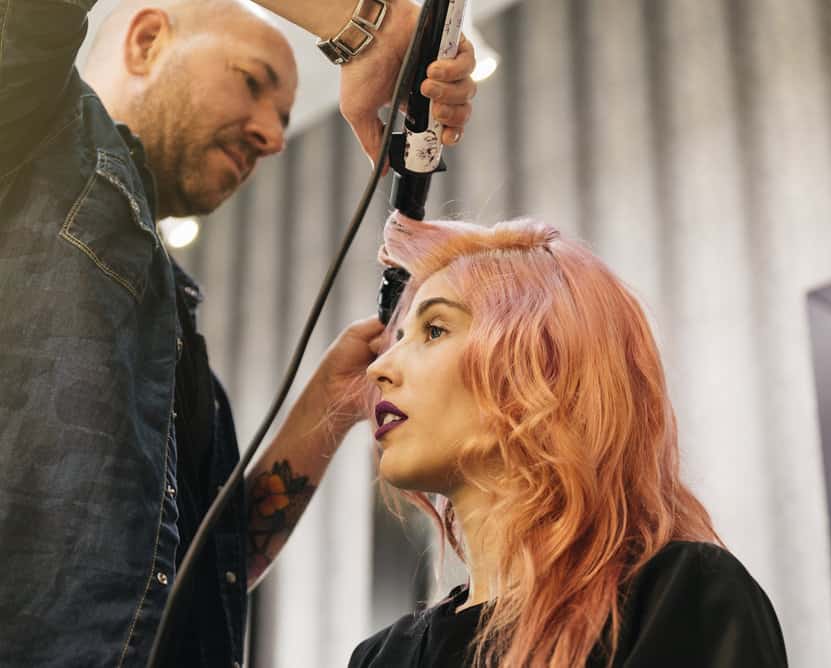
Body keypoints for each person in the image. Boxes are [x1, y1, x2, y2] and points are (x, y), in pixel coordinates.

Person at [0, 1, 476, 666]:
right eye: (252, 81)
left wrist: (324, 409)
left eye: (283, 120)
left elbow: (208, 563)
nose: (273, 139)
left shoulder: (170, 339)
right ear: (145, 41)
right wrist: (361, 25)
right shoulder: (23, 129)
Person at [348, 215, 789, 667]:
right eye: (398, 339)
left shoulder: (677, 600)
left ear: (539, 368)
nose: (378, 369)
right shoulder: (379, 659)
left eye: (435, 330)